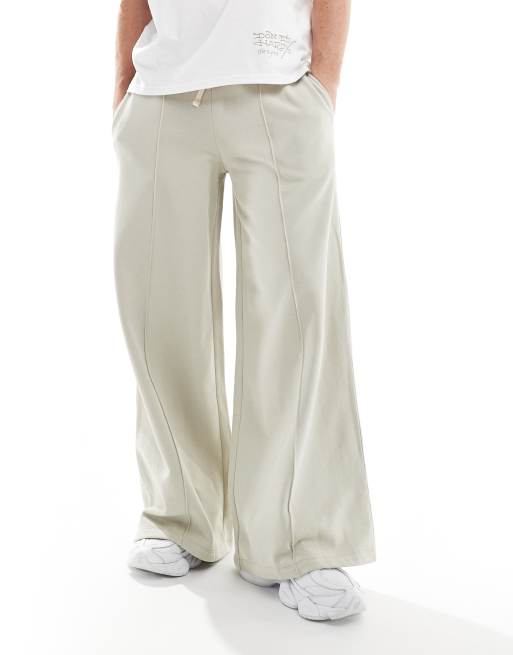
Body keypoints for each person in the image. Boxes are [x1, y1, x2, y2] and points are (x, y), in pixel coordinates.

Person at [112, 0, 375, 622]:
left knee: (296, 319)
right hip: (162, 95)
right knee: (158, 313)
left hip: (279, 87)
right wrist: (124, 90)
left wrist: (321, 88)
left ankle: (297, 539)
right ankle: (180, 513)